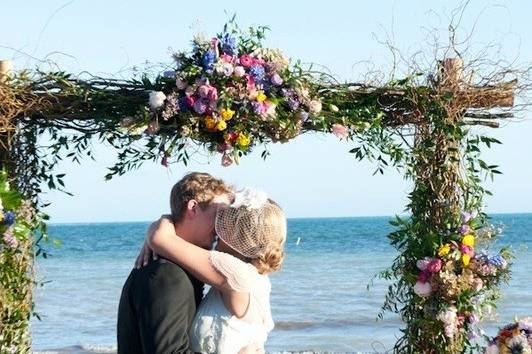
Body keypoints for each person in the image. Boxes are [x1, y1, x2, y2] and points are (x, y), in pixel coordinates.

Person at [146, 188, 287, 353]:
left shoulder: (232, 271)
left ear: (235, 233)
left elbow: (160, 239)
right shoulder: (256, 277)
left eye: (225, 221)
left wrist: (168, 218)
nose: (217, 228)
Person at [117, 172, 233, 354]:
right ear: (193, 208)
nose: (222, 226)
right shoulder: (168, 275)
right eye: (219, 215)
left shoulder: (173, 268)